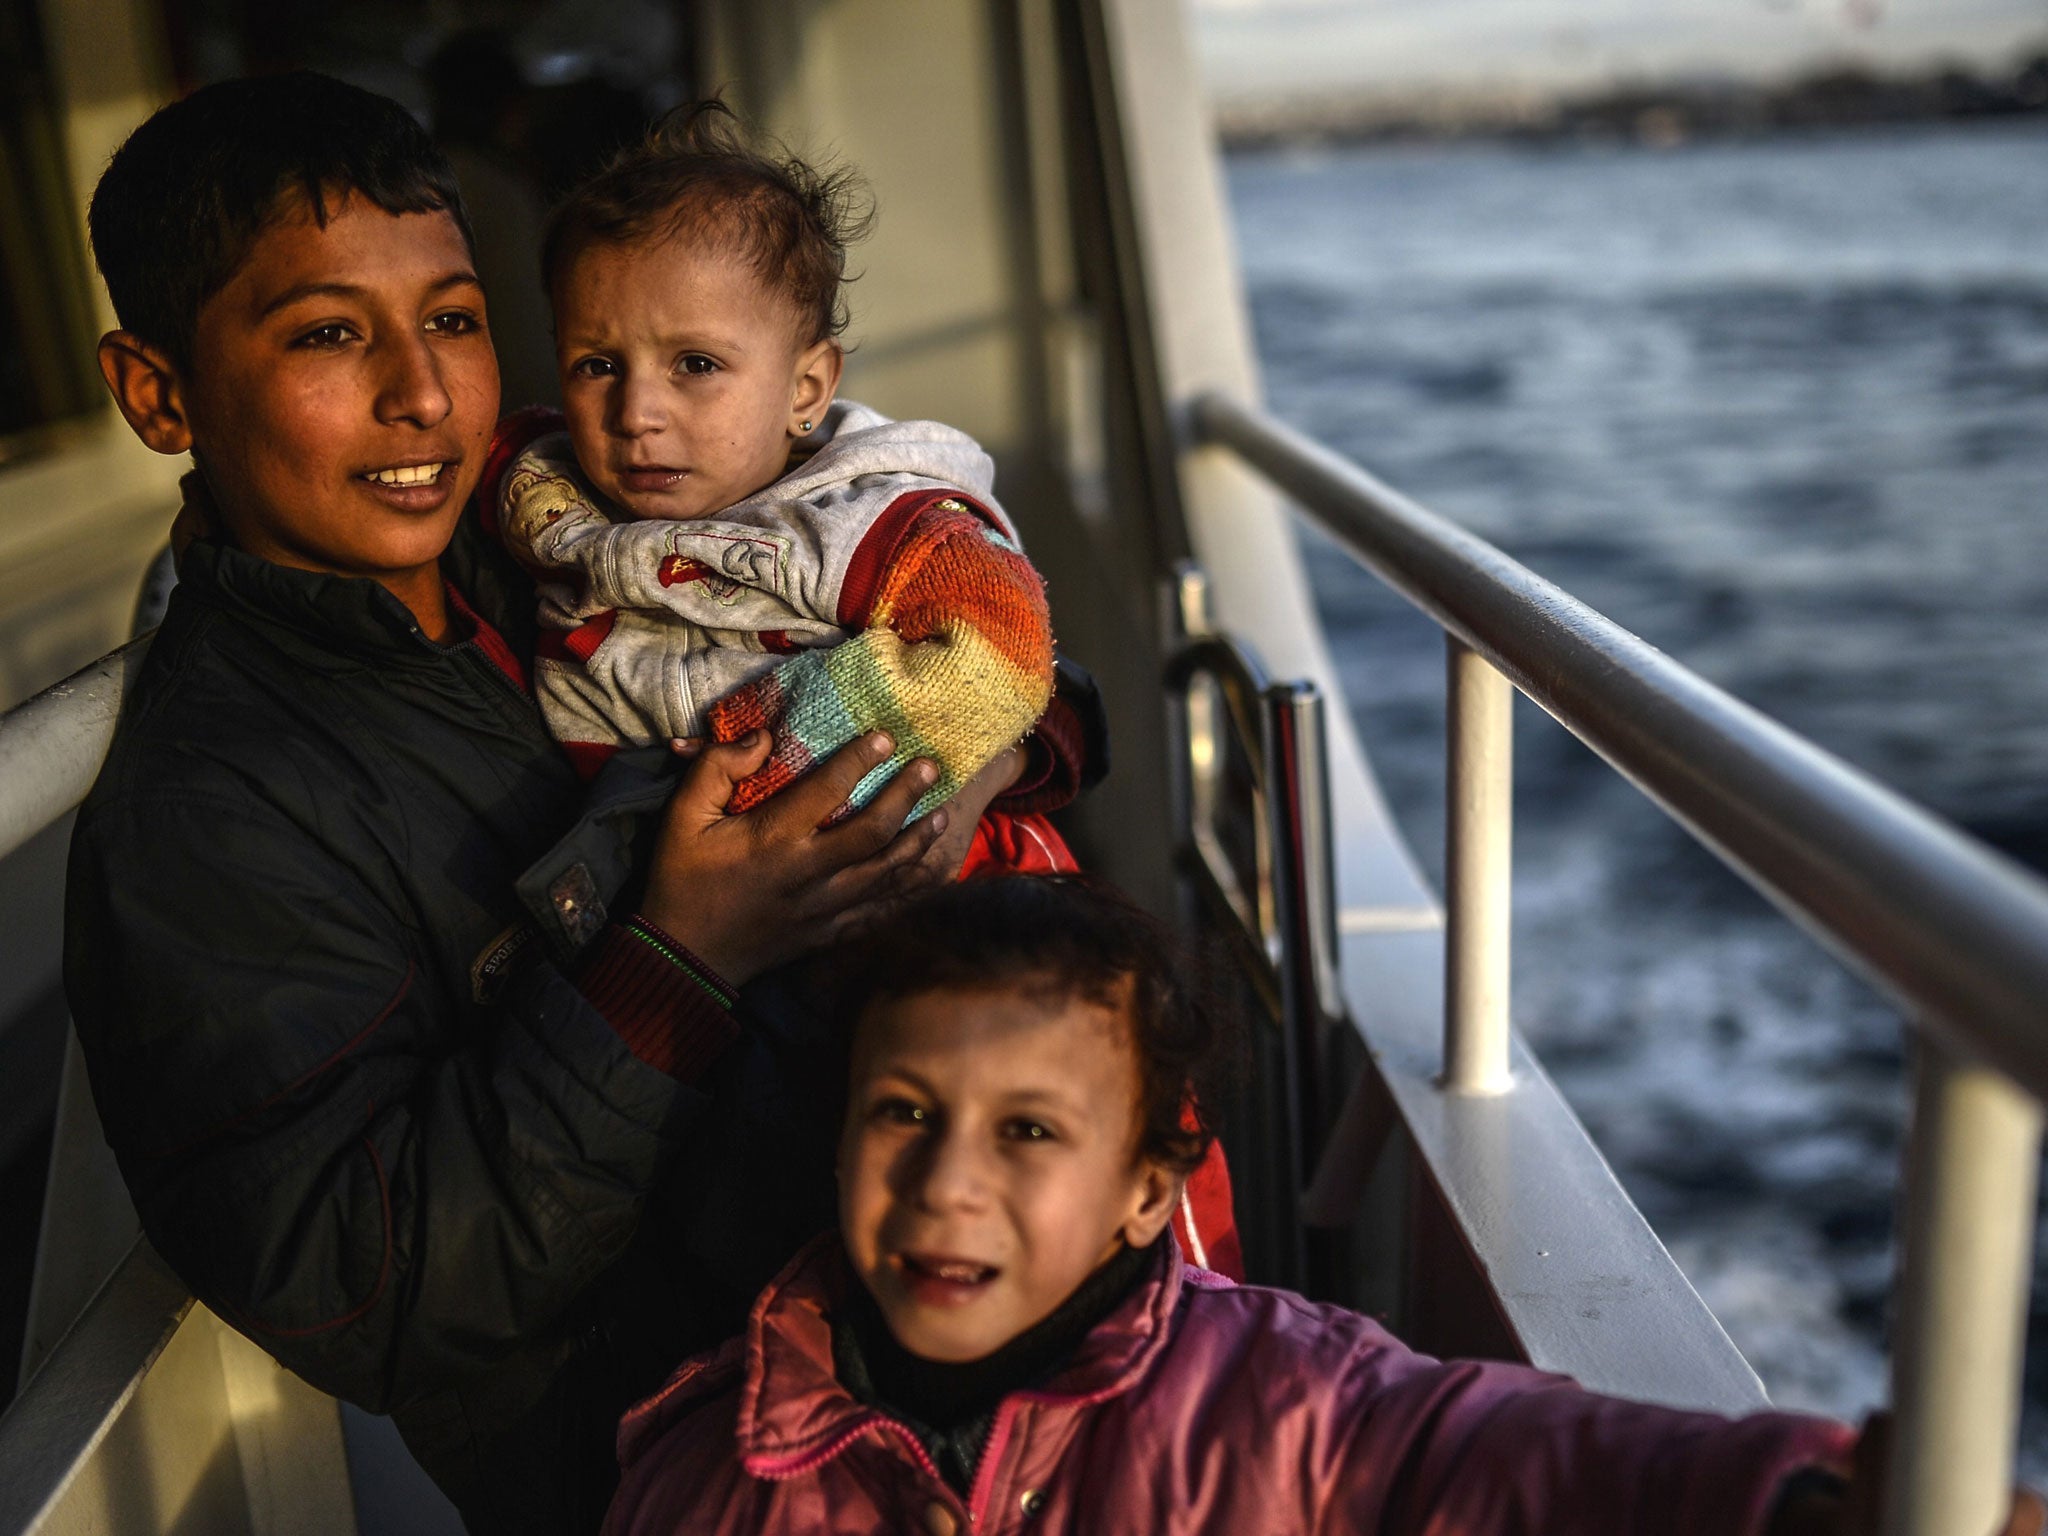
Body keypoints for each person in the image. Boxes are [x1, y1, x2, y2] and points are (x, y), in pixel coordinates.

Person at [64, 72, 1094, 1534]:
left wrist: (967, 767)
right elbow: (374, 1285)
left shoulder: (566, 518)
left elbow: (1025, 660)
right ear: (160, 393)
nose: (424, 395)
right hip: (679, 1450)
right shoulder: (210, 814)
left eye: (457, 319)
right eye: (328, 334)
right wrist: (684, 952)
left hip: (918, 1287)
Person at [601, 876, 2035, 1536]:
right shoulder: (715, 1465)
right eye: (902, 1113)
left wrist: (1791, 1502)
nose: (945, 1182)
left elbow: (1512, 1464)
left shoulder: (1287, 1403)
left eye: (1027, 1130)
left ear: (1147, 1193)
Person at [484, 102, 1075, 878]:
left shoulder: (868, 524)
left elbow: (1000, 647)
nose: (635, 415)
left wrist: (765, 752)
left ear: (806, 389)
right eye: (596, 365)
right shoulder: (542, 488)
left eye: (695, 364)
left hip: (941, 888)